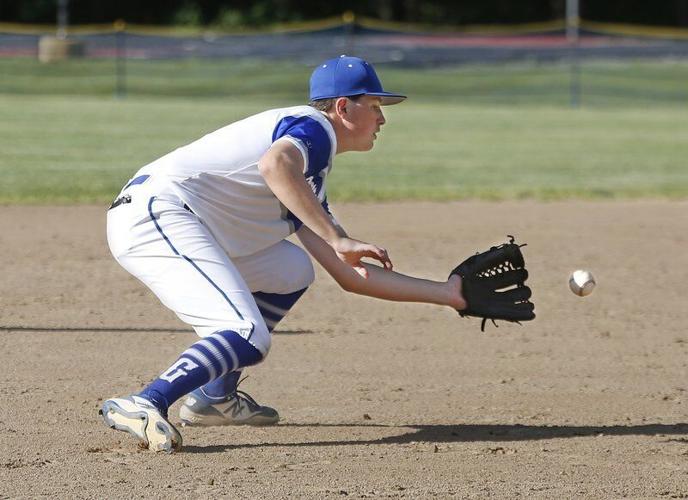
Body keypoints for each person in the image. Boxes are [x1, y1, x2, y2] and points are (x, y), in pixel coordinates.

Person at [100, 55, 467, 453]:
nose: (383, 120)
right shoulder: (314, 128)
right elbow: (275, 164)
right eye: (375, 107)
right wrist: (338, 237)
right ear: (343, 107)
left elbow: (349, 274)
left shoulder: (306, 180)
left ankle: (215, 399)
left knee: (291, 270)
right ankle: (147, 400)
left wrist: (448, 294)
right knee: (247, 334)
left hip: (179, 220)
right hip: (159, 214)